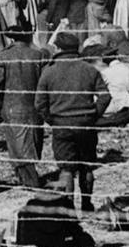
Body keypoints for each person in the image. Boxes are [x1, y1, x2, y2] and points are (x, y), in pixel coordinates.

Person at [35, 31, 111, 212]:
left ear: (59, 49)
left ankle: (69, 207)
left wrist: (52, 120)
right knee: (87, 167)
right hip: (85, 123)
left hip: (62, 124)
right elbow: (105, 96)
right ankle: (87, 204)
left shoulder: (49, 71)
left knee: (66, 169)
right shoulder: (89, 69)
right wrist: (94, 115)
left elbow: (39, 103)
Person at [0, 29, 45, 187]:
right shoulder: (37, 55)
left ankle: (30, 182)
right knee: (32, 143)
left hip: (11, 107)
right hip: (34, 107)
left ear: (11, 39)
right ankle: (28, 179)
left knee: (17, 147)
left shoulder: (2, 57)